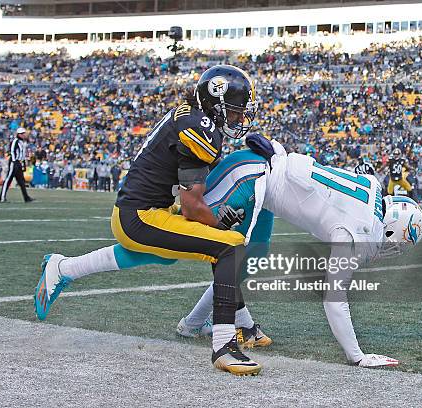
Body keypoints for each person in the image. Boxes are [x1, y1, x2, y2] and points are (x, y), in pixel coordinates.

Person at [32, 134, 422, 369]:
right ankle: (65, 268)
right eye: (397, 241)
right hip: (252, 178)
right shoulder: (355, 232)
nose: (392, 249)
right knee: (172, 247)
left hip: (264, 178)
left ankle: (195, 322)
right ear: (390, 227)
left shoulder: (374, 191)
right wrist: (356, 355)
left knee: (246, 257)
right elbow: (334, 300)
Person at [35, 65, 261, 376]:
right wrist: (218, 225)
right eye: (234, 112)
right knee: (229, 246)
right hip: (141, 216)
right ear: (214, 103)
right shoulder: (200, 130)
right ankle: (224, 343)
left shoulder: (193, 114)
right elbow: (193, 207)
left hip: (146, 211)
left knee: (181, 254)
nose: (239, 119)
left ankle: (63, 268)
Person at [0, 127, 33, 203]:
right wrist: (14, 162)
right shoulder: (16, 141)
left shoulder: (24, 142)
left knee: (21, 181)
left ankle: (26, 197)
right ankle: (2, 197)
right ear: (19, 134)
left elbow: (23, 153)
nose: (24, 135)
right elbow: (12, 151)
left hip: (19, 162)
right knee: (8, 180)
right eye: (23, 133)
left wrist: (23, 162)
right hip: (14, 162)